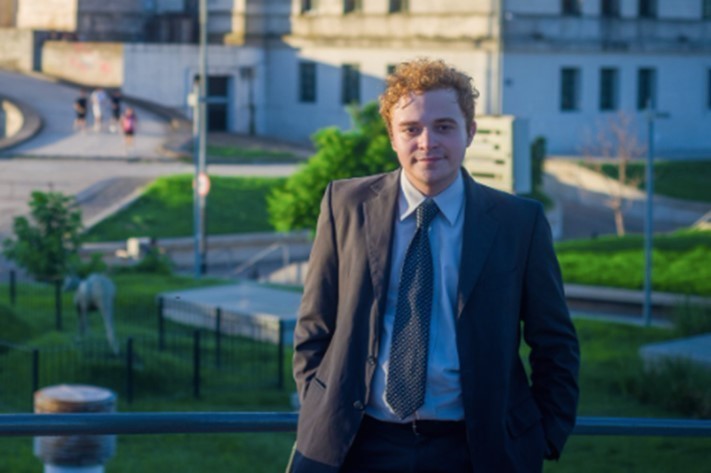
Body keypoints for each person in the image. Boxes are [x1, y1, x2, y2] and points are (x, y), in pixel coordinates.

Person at [290, 58, 580, 473]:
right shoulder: (345, 205)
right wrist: (320, 406)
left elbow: (555, 342)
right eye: (411, 129)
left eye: (444, 126)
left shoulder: (519, 223)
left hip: (474, 449)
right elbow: (314, 325)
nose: (427, 142)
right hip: (358, 444)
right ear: (392, 136)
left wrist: (544, 436)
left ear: (470, 132)